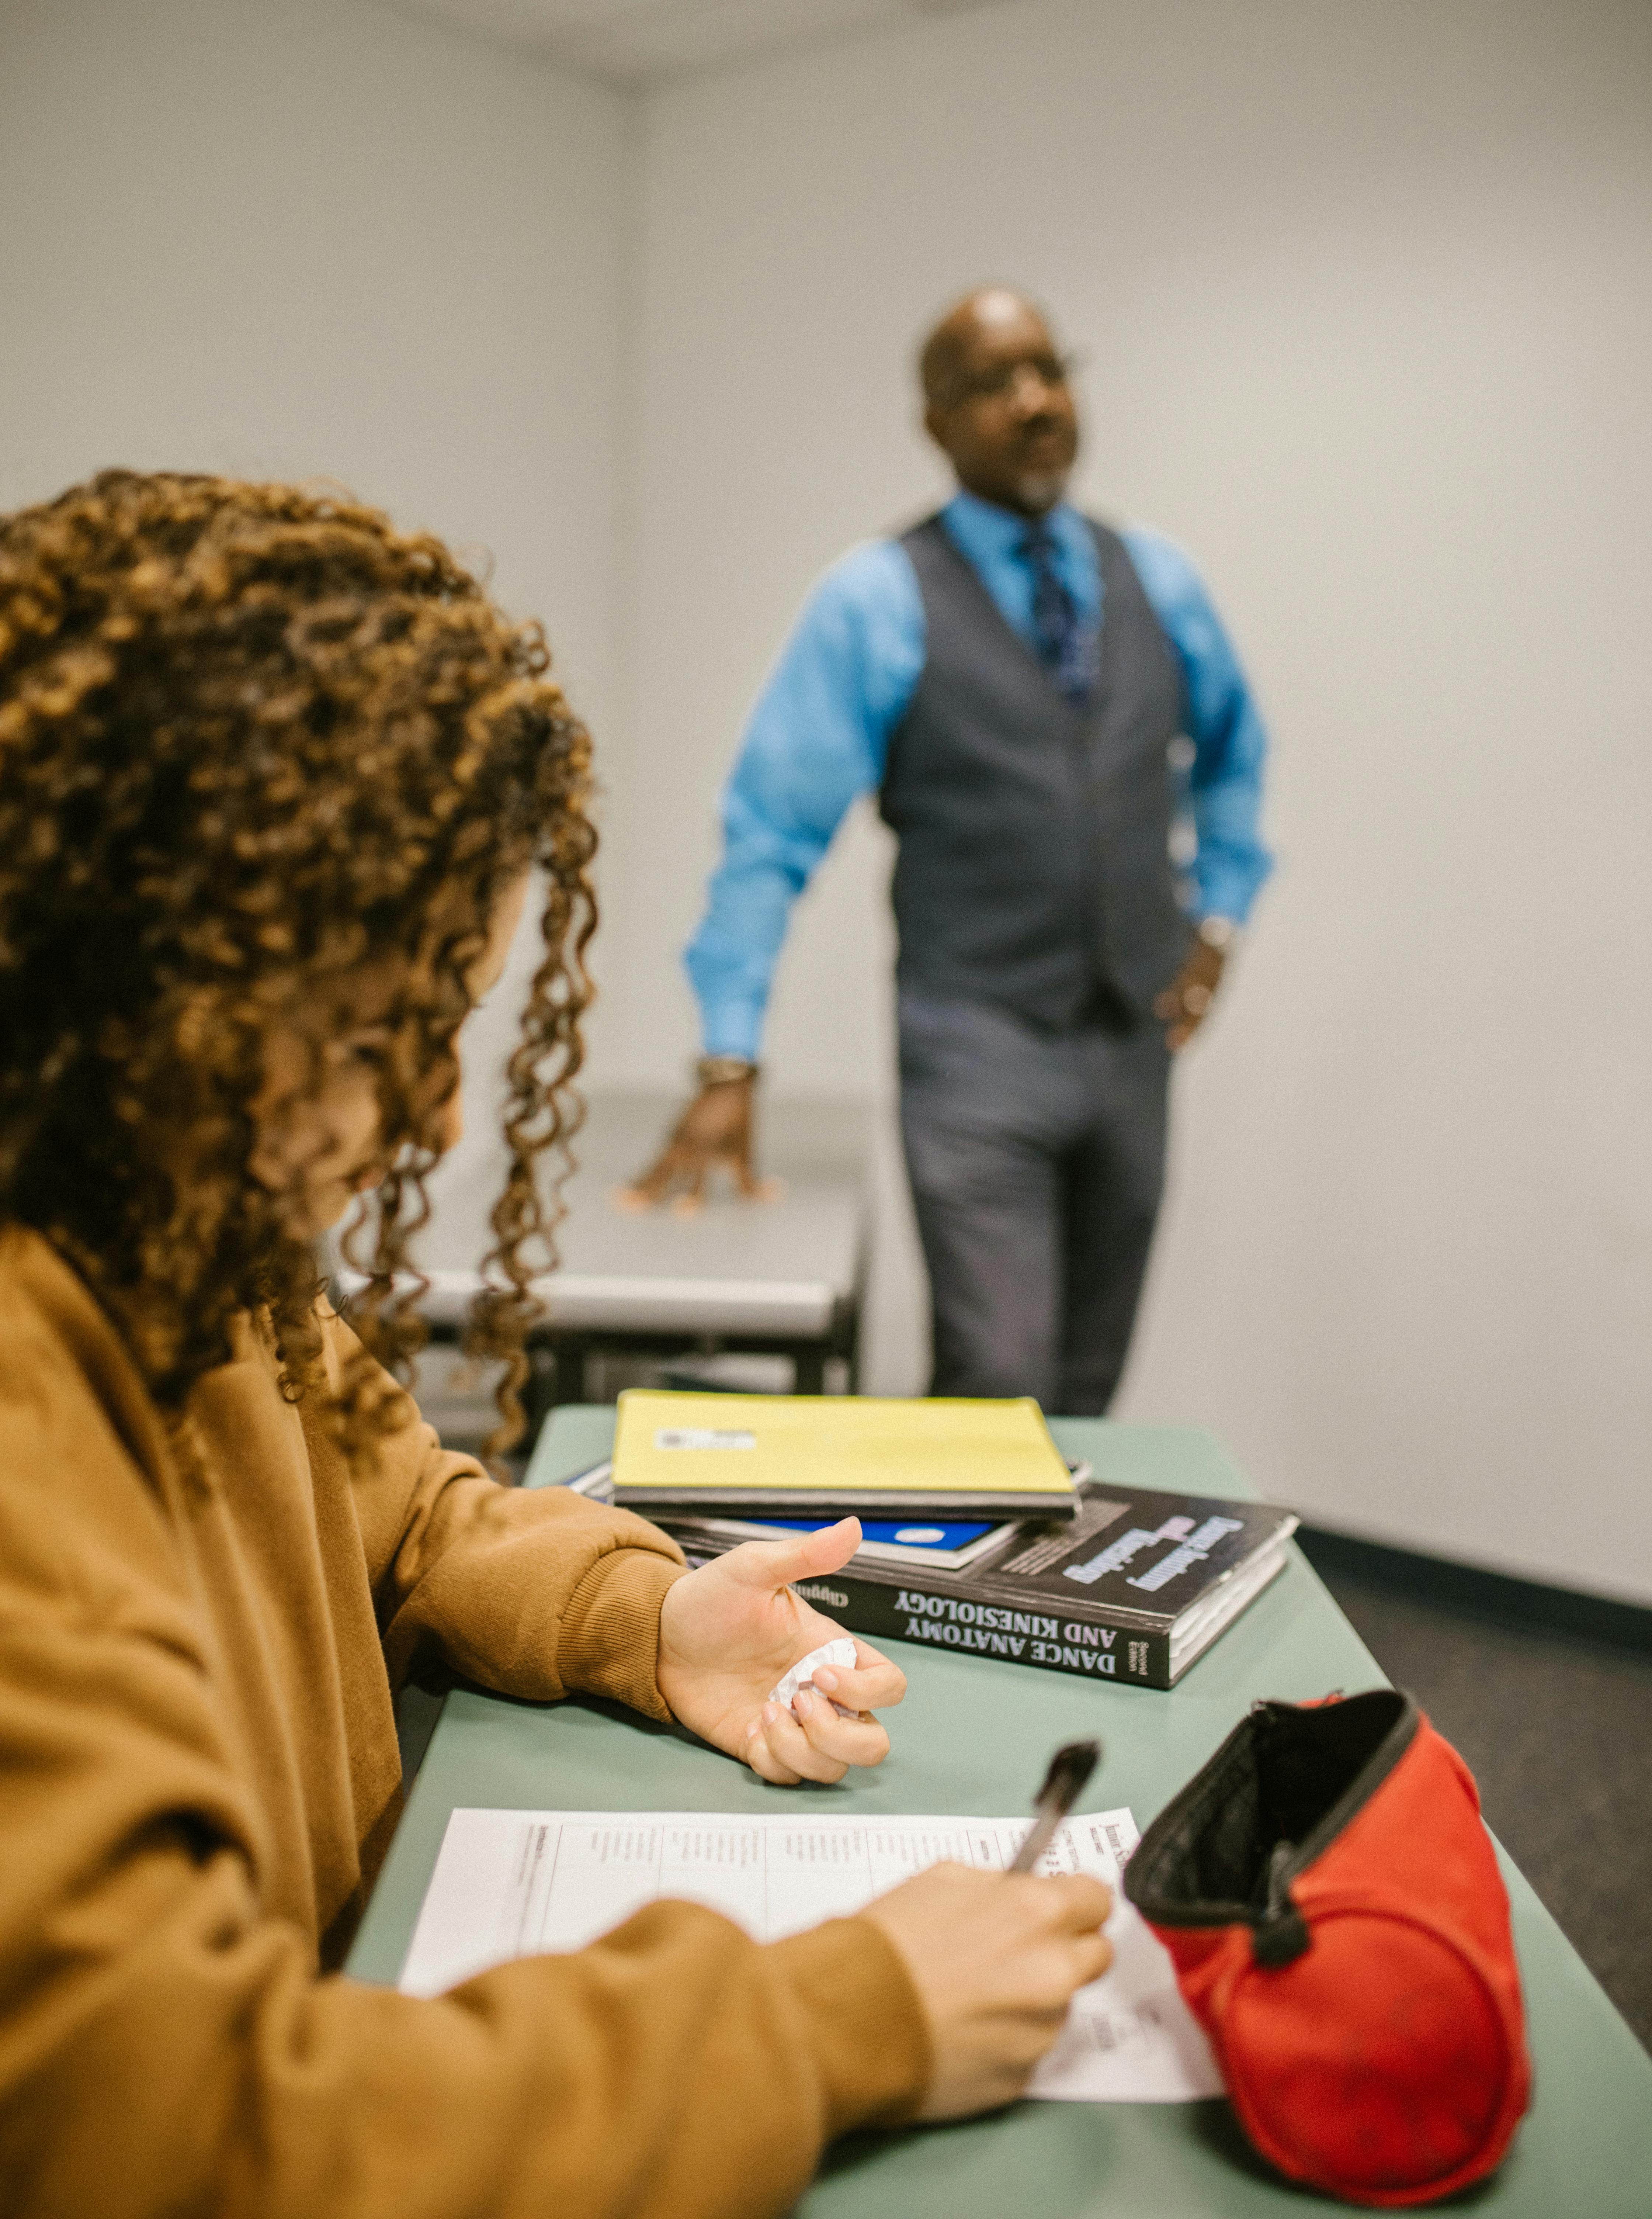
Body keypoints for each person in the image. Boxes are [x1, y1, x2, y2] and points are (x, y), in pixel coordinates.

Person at [0, 472, 1113, 2219]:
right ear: (152, 982)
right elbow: (194, 2137)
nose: (439, 1115)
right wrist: (845, 2016)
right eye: (383, 1032)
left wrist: (645, 1617)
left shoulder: (190, 1241)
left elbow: (411, 1510)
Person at [631, 288, 1273, 1415]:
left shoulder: (1156, 578)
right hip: (974, 1041)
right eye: (990, 383)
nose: (1031, 402)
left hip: (1133, 1041)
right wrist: (729, 1058)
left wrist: (1216, 923)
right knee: (996, 1376)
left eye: (1047, 370)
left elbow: (1236, 757)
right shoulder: (877, 600)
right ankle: (945, 1596)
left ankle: (1054, 1600)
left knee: (1086, 1388)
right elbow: (771, 833)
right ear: (935, 423)